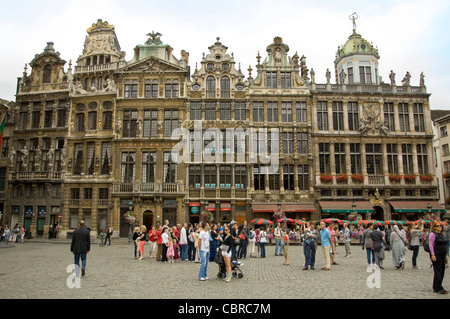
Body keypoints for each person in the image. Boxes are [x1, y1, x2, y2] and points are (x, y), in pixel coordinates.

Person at [429, 221, 449, 294]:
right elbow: (430, 245)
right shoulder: (433, 234)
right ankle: (439, 287)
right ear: (434, 227)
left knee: (442, 270)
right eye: (438, 226)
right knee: (438, 271)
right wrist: (433, 254)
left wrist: (447, 255)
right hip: (436, 254)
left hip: (443, 254)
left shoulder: (442, 234)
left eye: (440, 226)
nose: (440, 227)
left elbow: (446, 245)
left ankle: (436, 286)